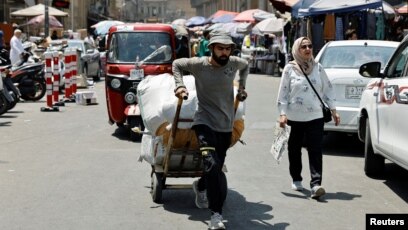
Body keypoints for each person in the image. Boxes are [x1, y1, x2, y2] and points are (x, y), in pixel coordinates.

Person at [172, 29, 249, 229]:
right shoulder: (199, 65)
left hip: (225, 125)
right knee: (212, 165)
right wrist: (179, 86)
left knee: (215, 167)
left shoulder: (233, 63)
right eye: (220, 49)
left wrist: (241, 87)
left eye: (228, 49)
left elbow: (246, 65)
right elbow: (177, 64)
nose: (224, 53)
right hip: (203, 122)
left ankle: (201, 185)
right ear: (212, 48)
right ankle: (216, 215)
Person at [276, 37, 340, 199]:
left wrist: (333, 110)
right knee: (294, 150)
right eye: (303, 46)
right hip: (294, 117)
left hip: (315, 116)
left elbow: (328, 89)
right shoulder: (289, 69)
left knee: (315, 150)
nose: (307, 49)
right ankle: (296, 178)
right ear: (297, 49)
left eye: (310, 46)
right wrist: (282, 113)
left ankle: (316, 184)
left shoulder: (318, 67)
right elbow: (283, 93)